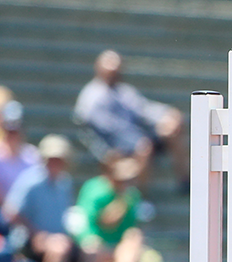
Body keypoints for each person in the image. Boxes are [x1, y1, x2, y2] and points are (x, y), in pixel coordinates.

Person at [74, 50, 188, 187]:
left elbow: (144, 109)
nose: (114, 73)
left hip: (134, 135)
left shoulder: (124, 91)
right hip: (111, 140)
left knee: (171, 128)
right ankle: (140, 196)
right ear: (99, 68)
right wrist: (134, 137)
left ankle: (184, 179)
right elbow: (105, 126)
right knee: (143, 146)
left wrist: (167, 114)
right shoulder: (92, 95)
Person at [65, 156, 146, 262]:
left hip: (118, 248)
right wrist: (94, 241)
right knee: (92, 248)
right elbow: (84, 221)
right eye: (121, 179)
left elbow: (129, 228)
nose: (124, 183)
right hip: (96, 244)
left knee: (134, 239)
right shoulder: (94, 190)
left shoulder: (131, 196)